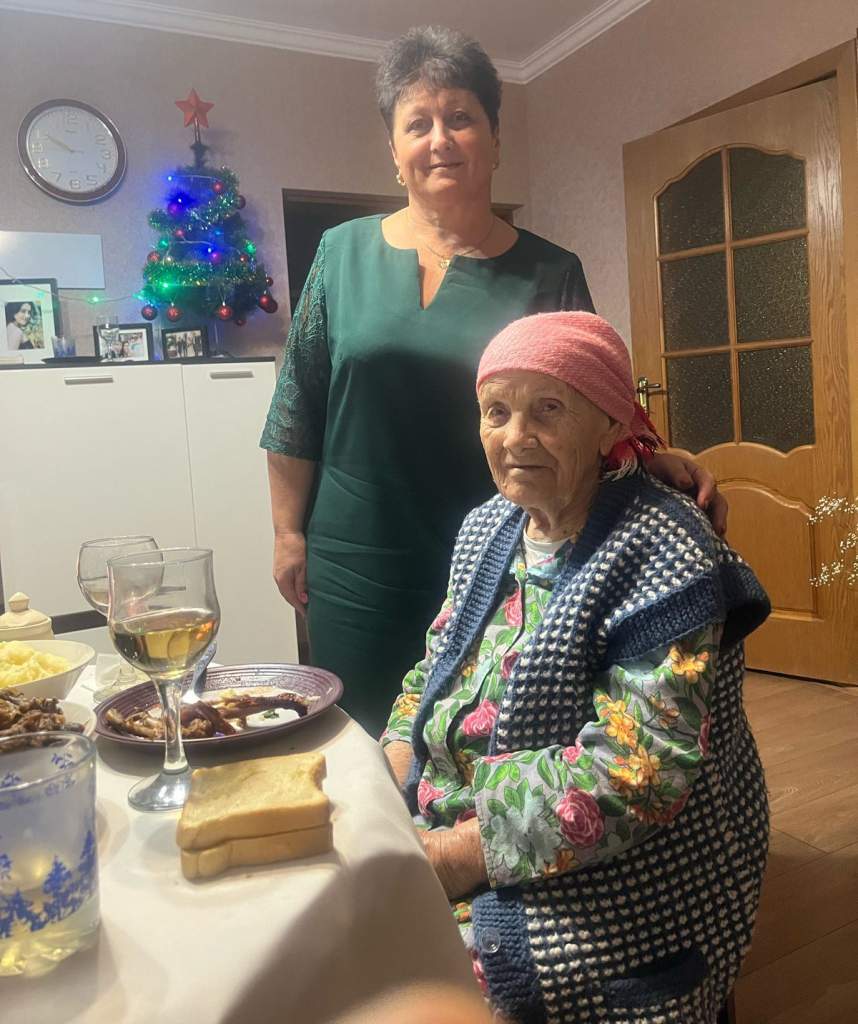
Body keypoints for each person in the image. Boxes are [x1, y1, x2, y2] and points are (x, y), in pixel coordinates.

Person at [261, 26, 727, 735]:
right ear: (394, 151)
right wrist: (286, 534)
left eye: (460, 117)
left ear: (495, 139)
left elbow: (594, 399)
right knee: (362, 741)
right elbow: (297, 408)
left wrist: (648, 457)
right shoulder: (339, 253)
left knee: (483, 734)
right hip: (357, 561)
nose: (440, 139)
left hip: (503, 547)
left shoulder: (550, 270)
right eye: (418, 123)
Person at [382, 311, 770, 1024]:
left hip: (604, 872)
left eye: (548, 410)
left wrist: (452, 856)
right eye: (496, 411)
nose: (515, 436)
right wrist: (390, 770)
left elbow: (641, 768)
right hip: (444, 824)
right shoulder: (486, 526)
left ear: (609, 423)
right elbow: (436, 667)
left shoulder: (664, 547)